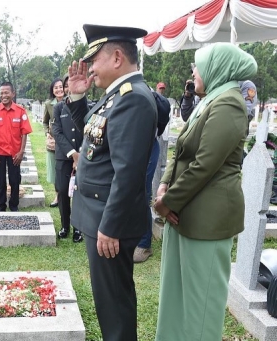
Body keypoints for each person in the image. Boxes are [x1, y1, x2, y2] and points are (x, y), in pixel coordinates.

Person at [153, 42, 257, 341]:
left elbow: (205, 164)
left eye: (198, 66)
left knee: (201, 308)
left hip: (207, 219)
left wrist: (166, 202)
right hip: (184, 212)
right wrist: (164, 182)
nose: (193, 72)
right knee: (176, 297)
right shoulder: (211, 100)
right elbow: (182, 148)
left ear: (217, 68)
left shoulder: (230, 104)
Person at [66, 24, 157, 340]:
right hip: (100, 216)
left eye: (94, 60)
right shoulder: (117, 96)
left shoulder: (133, 99)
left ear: (117, 57)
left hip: (109, 222)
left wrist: (110, 226)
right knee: (109, 304)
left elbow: (128, 174)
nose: (90, 68)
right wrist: (78, 96)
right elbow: (96, 136)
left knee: (114, 307)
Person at [0, 81, 32, 212]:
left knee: (15, 180)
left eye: (6, 92)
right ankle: (1, 206)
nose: (4, 95)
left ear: (13, 94)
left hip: (14, 154)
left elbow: (24, 133)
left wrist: (21, 152)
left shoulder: (20, 111)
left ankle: (14, 205)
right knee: (0, 180)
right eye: (1, 93)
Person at [133, 82, 165, 263]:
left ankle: (144, 245)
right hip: (132, 148)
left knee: (143, 194)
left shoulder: (143, 93)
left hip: (147, 147)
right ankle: (132, 236)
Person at [52, 74, 83, 243]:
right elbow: (56, 131)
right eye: (65, 86)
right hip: (64, 157)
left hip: (83, 156)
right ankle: (65, 225)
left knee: (78, 192)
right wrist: (72, 153)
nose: (67, 89)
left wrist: (81, 153)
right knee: (63, 191)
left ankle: (78, 228)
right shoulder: (59, 108)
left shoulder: (87, 106)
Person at [43, 78, 64, 207]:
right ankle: (57, 196)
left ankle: (66, 195)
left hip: (68, 140)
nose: (59, 89)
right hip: (53, 141)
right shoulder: (49, 104)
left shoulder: (71, 101)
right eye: (56, 87)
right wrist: (47, 133)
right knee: (54, 169)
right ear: (52, 90)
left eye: (61, 87)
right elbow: (45, 122)